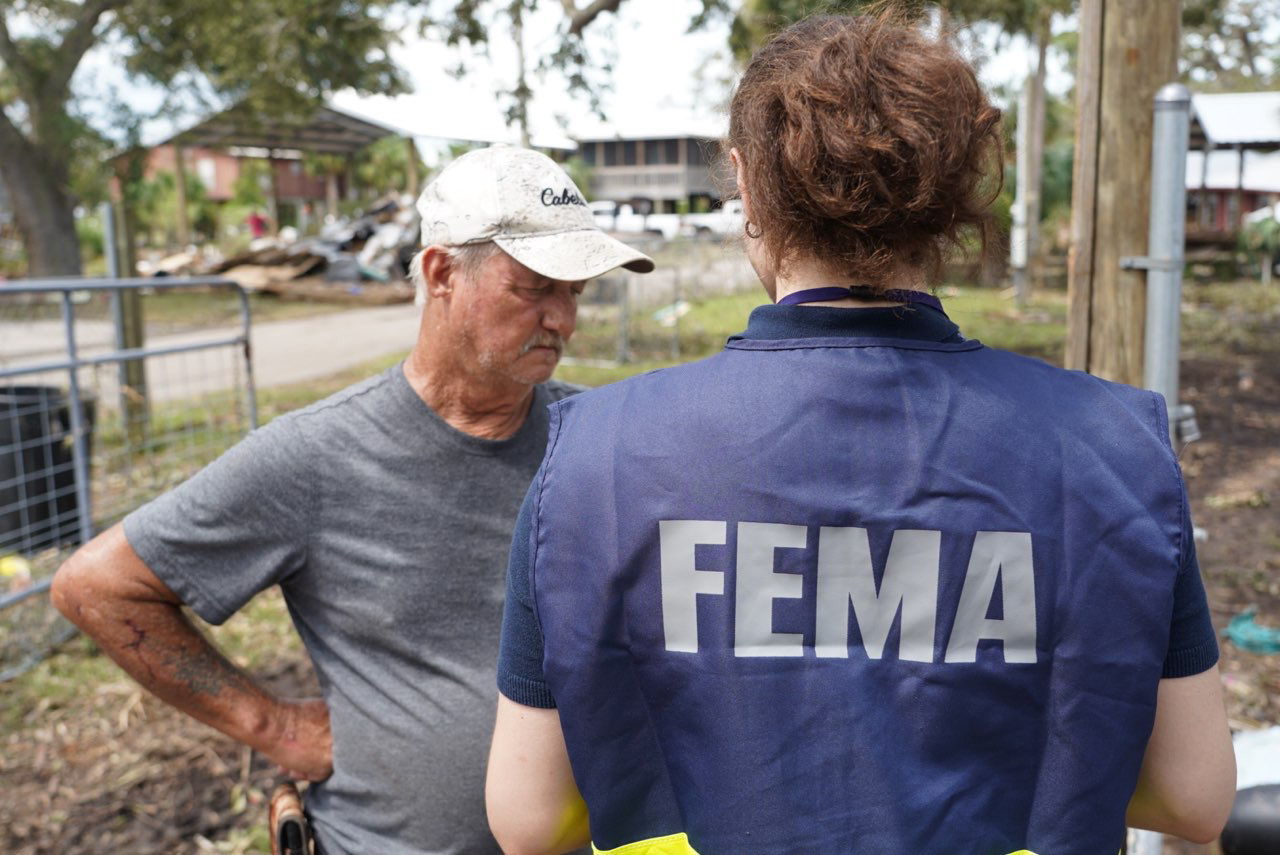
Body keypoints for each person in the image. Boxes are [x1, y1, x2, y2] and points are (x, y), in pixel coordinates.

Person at [485, 15, 1236, 855]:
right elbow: (1192, 794)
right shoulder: (1113, 447)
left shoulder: (593, 456)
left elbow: (528, 815)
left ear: (746, 181)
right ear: (954, 193)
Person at [51, 145, 653, 855]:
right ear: (440, 275)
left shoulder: (595, 440)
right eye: (533, 287)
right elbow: (97, 587)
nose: (563, 319)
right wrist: (273, 726)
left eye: (575, 292)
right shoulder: (316, 454)